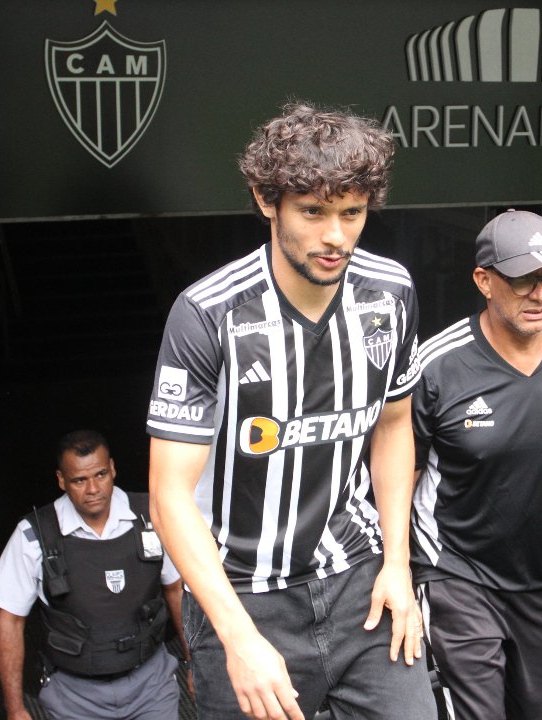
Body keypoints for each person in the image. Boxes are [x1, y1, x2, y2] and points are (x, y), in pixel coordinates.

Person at [145, 103, 436, 720]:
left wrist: (398, 565)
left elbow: (392, 428)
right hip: (245, 595)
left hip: (361, 580)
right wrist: (239, 639)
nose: (335, 236)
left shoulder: (392, 292)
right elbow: (168, 496)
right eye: (313, 212)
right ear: (265, 200)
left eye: (351, 213)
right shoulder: (208, 315)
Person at [410, 210, 542, 720]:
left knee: (539, 710)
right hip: (454, 570)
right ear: (484, 281)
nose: (541, 294)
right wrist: (395, 570)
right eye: (524, 279)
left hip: (539, 576)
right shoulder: (438, 365)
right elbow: (400, 472)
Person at [0, 430, 189, 720]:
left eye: (100, 474)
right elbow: (9, 619)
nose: (93, 489)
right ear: (62, 480)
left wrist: (194, 664)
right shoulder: (34, 534)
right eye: (79, 480)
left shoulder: (151, 516)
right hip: (74, 695)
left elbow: (176, 591)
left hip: (151, 683)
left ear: (112, 468)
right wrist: (15, 708)